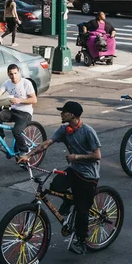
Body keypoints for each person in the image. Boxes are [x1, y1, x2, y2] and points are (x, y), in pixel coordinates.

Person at [18, 101, 101, 255]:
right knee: (55, 185)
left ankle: (82, 241)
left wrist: (76, 156)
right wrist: (28, 155)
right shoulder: (65, 129)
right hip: (74, 170)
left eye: (64, 112)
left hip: (89, 176)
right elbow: (46, 144)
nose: (61, 114)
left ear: (73, 115)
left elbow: (97, 156)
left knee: (82, 210)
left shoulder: (88, 132)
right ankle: (69, 201)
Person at [0, 64, 37, 157]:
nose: (13, 76)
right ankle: (1, 138)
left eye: (15, 73)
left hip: (25, 113)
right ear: (8, 74)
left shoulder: (26, 83)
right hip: (14, 111)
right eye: (11, 74)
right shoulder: (7, 83)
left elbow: (34, 100)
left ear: (19, 72)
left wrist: (20, 100)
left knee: (16, 131)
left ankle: (24, 151)